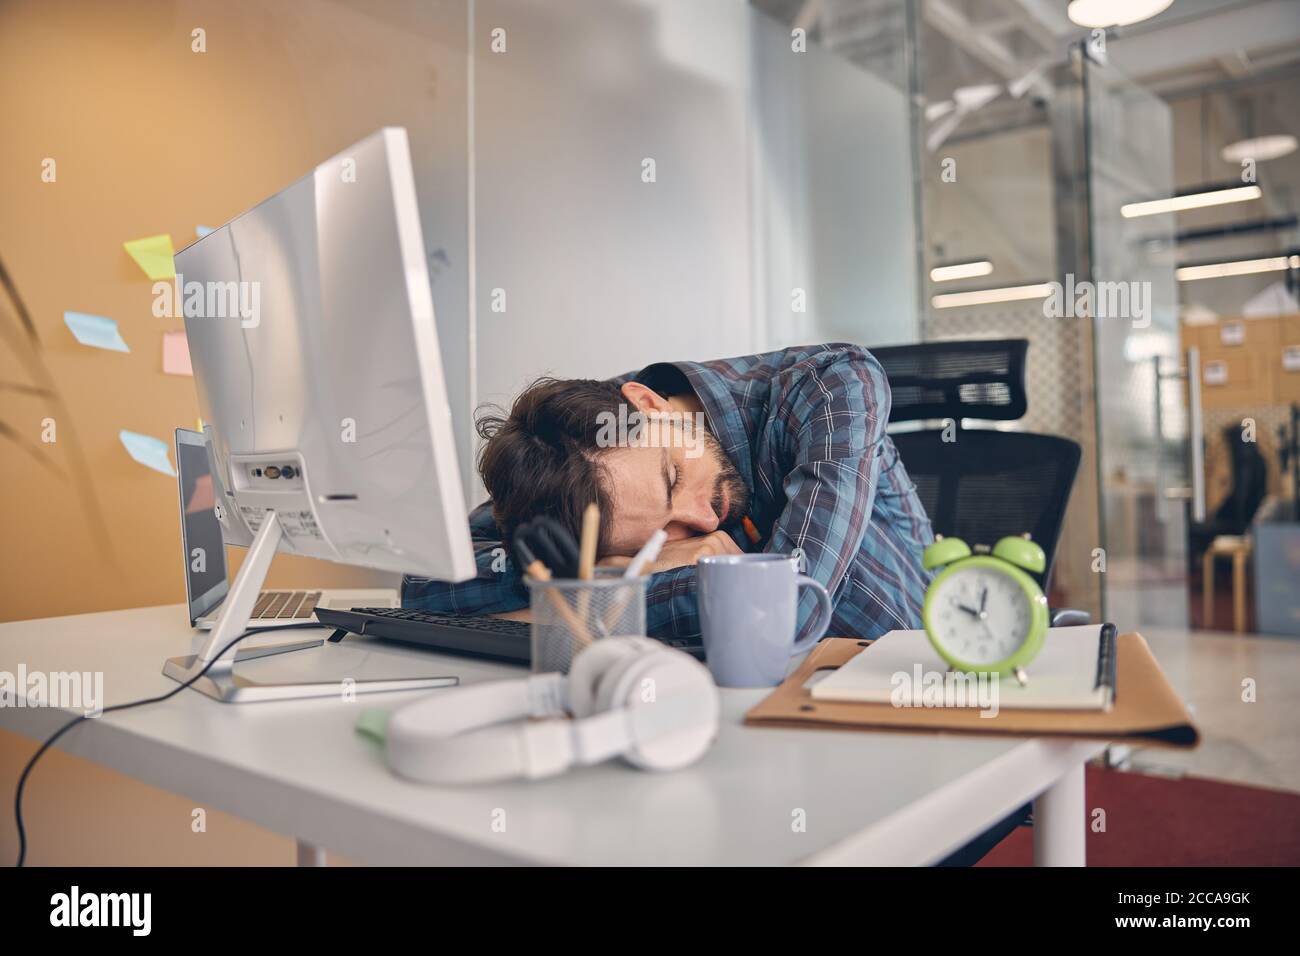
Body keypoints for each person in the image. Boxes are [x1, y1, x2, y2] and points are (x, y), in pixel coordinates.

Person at [404, 343, 933, 641]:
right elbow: (425, 584)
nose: (702, 524)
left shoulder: (830, 386)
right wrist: (630, 571)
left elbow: (782, 614)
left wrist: (587, 592)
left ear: (649, 404)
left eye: (674, 479)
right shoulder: (573, 453)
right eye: (658, 537)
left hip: (919, 673)